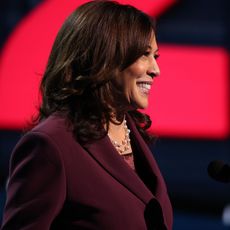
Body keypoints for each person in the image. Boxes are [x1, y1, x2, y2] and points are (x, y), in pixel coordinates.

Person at [1, 1, 173, 229]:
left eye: (156, 57)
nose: (155, 70)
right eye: (144, 55)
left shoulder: (132, 135)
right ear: (105, 57)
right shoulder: (50, 145)